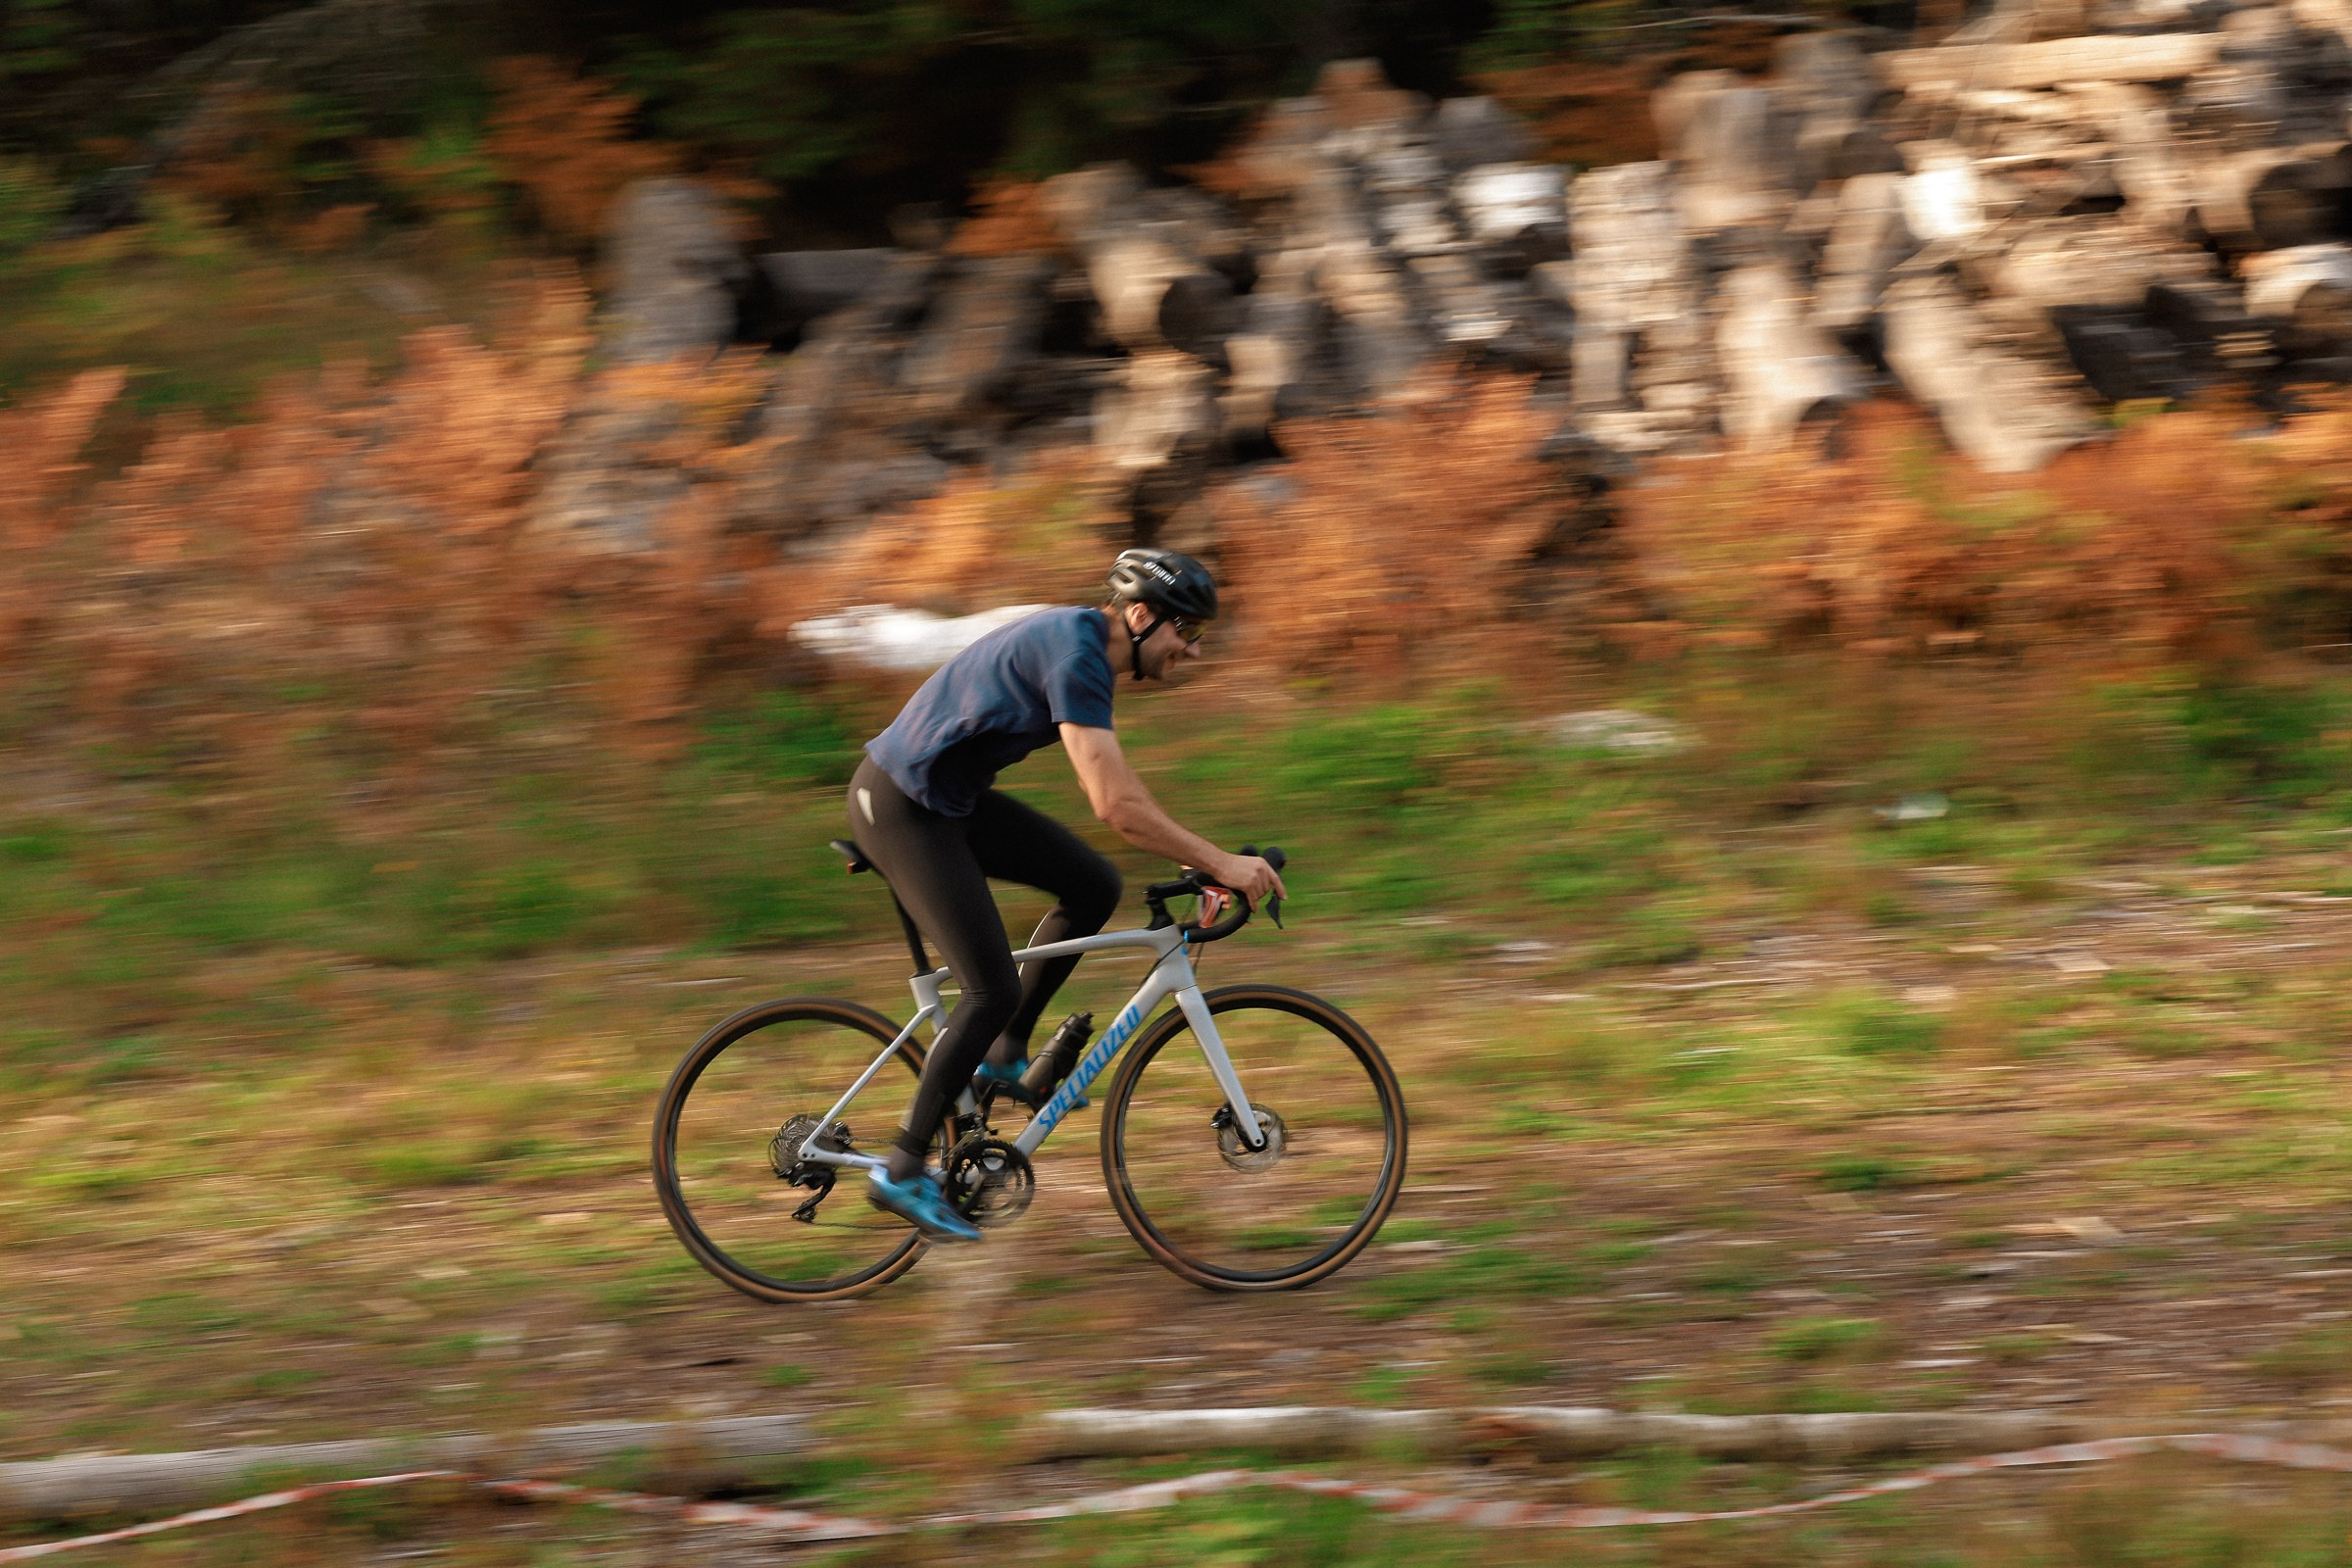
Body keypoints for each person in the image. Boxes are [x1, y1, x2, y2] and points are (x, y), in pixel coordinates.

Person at [848, 548, 1287, 1242]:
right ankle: (901, 1170)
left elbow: (1121, 793)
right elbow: (1114, 803)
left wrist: (1207, 858)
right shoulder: (1077, 652)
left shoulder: (1084, 648)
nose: (1192, 652)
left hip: (949, 804)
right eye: (1187, 633)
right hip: (901, 806)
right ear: (1141, 616)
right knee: (988, 986)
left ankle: (1004, 1054)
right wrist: (1218, 862)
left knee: (1092, 883)